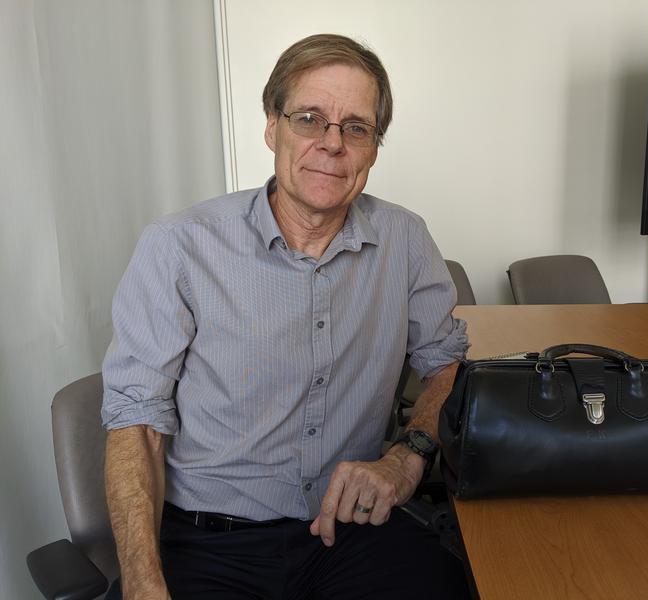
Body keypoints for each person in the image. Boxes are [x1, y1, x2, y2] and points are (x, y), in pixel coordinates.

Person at [101, 33, 470, 599]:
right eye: (309, 118)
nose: (332, 144)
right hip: (209, 543)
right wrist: (142, 582)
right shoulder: (178, 247)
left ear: (373, 147)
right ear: (272, 126)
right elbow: (137, 425)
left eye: (356, 127)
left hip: (351, 531)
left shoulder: (406, 239)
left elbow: (448, 367)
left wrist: (407, 457)